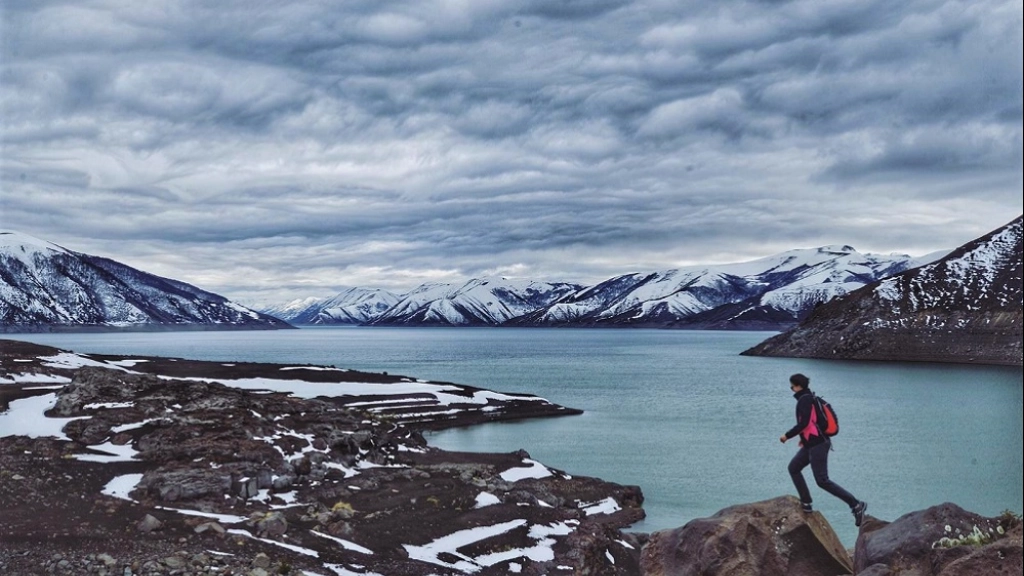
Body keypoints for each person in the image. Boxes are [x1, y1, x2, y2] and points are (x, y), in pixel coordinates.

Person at [779, 373, 867, 527]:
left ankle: (856, 504)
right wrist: (803, 439)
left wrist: (787, 436)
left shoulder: (804, 399)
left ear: (798, 385)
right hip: (811, 443)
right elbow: (812, 423)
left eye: (792, 386)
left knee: (822, 480)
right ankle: (806, 502)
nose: (791, 389)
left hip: (818, 444)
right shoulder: (808, 397)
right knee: (794, 468)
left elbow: (804, 423)